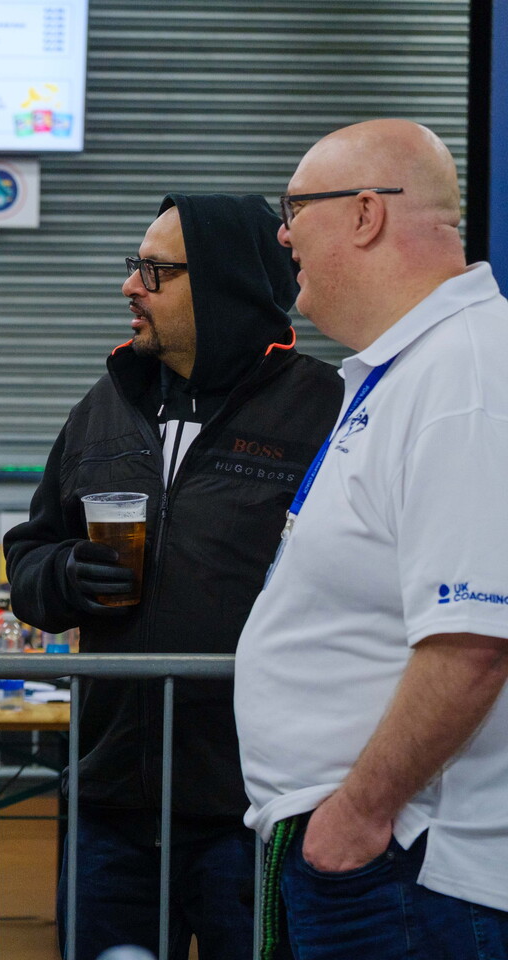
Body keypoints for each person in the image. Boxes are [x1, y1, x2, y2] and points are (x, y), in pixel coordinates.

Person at [3, 194, 342, 959]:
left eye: (155, 271)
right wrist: (60, 573)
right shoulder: (105, 405)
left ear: (222, 284)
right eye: (135, 267)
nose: (131, 286)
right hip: (110, 801)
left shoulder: (324, 408)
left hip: (254, 805)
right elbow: (30, 550)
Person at [235, 119, 508, 957]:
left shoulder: (464, 375)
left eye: (294, 208)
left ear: (364, 216)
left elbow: (474, 642)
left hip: (410, 874)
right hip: (378, 859)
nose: (282, 234)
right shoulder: (414, 369)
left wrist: (354, 818)